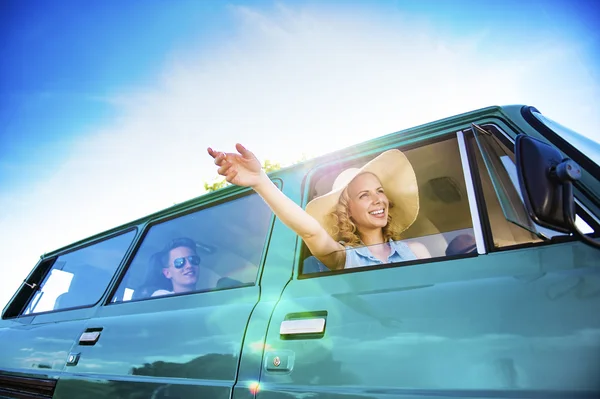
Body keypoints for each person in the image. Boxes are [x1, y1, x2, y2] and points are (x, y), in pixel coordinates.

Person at [207, 144, 430, 271]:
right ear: (348, 210)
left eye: (379, 191)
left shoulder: (417, 252)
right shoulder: (345, 257)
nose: (378, 199)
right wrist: (261, 181)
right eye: (364, 195)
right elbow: (310, 231)